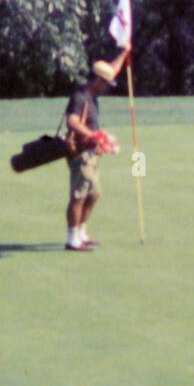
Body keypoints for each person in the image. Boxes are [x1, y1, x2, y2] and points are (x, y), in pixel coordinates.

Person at [63, 47, 130, 252]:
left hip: (92, 154)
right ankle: (72, 238)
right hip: (80, 153)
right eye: (106, 83)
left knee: (94, 194)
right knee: (79, 195)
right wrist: (93, 135)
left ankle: (81, 231)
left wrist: (124, 52)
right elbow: (72, 122)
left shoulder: (92, 96)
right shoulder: (80, 97)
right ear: (98, 80)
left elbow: (113, 69)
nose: (107, 87)